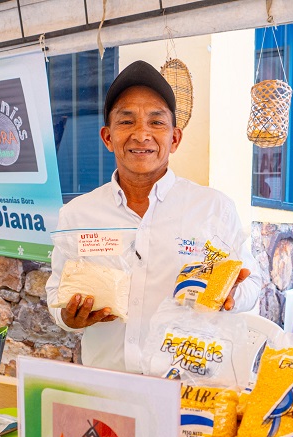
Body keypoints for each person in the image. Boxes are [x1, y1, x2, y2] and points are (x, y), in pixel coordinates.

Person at [45, 60, 264, 373]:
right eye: (126, 121)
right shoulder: (77, 214)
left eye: (156, 122)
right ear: (107, 137)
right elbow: (56, 292)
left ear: (174, 139)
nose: (141, 134)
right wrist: (68, 317)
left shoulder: (213, 208)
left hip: (185, 388)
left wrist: (231, 294)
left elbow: (251, 282)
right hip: (107, 386)